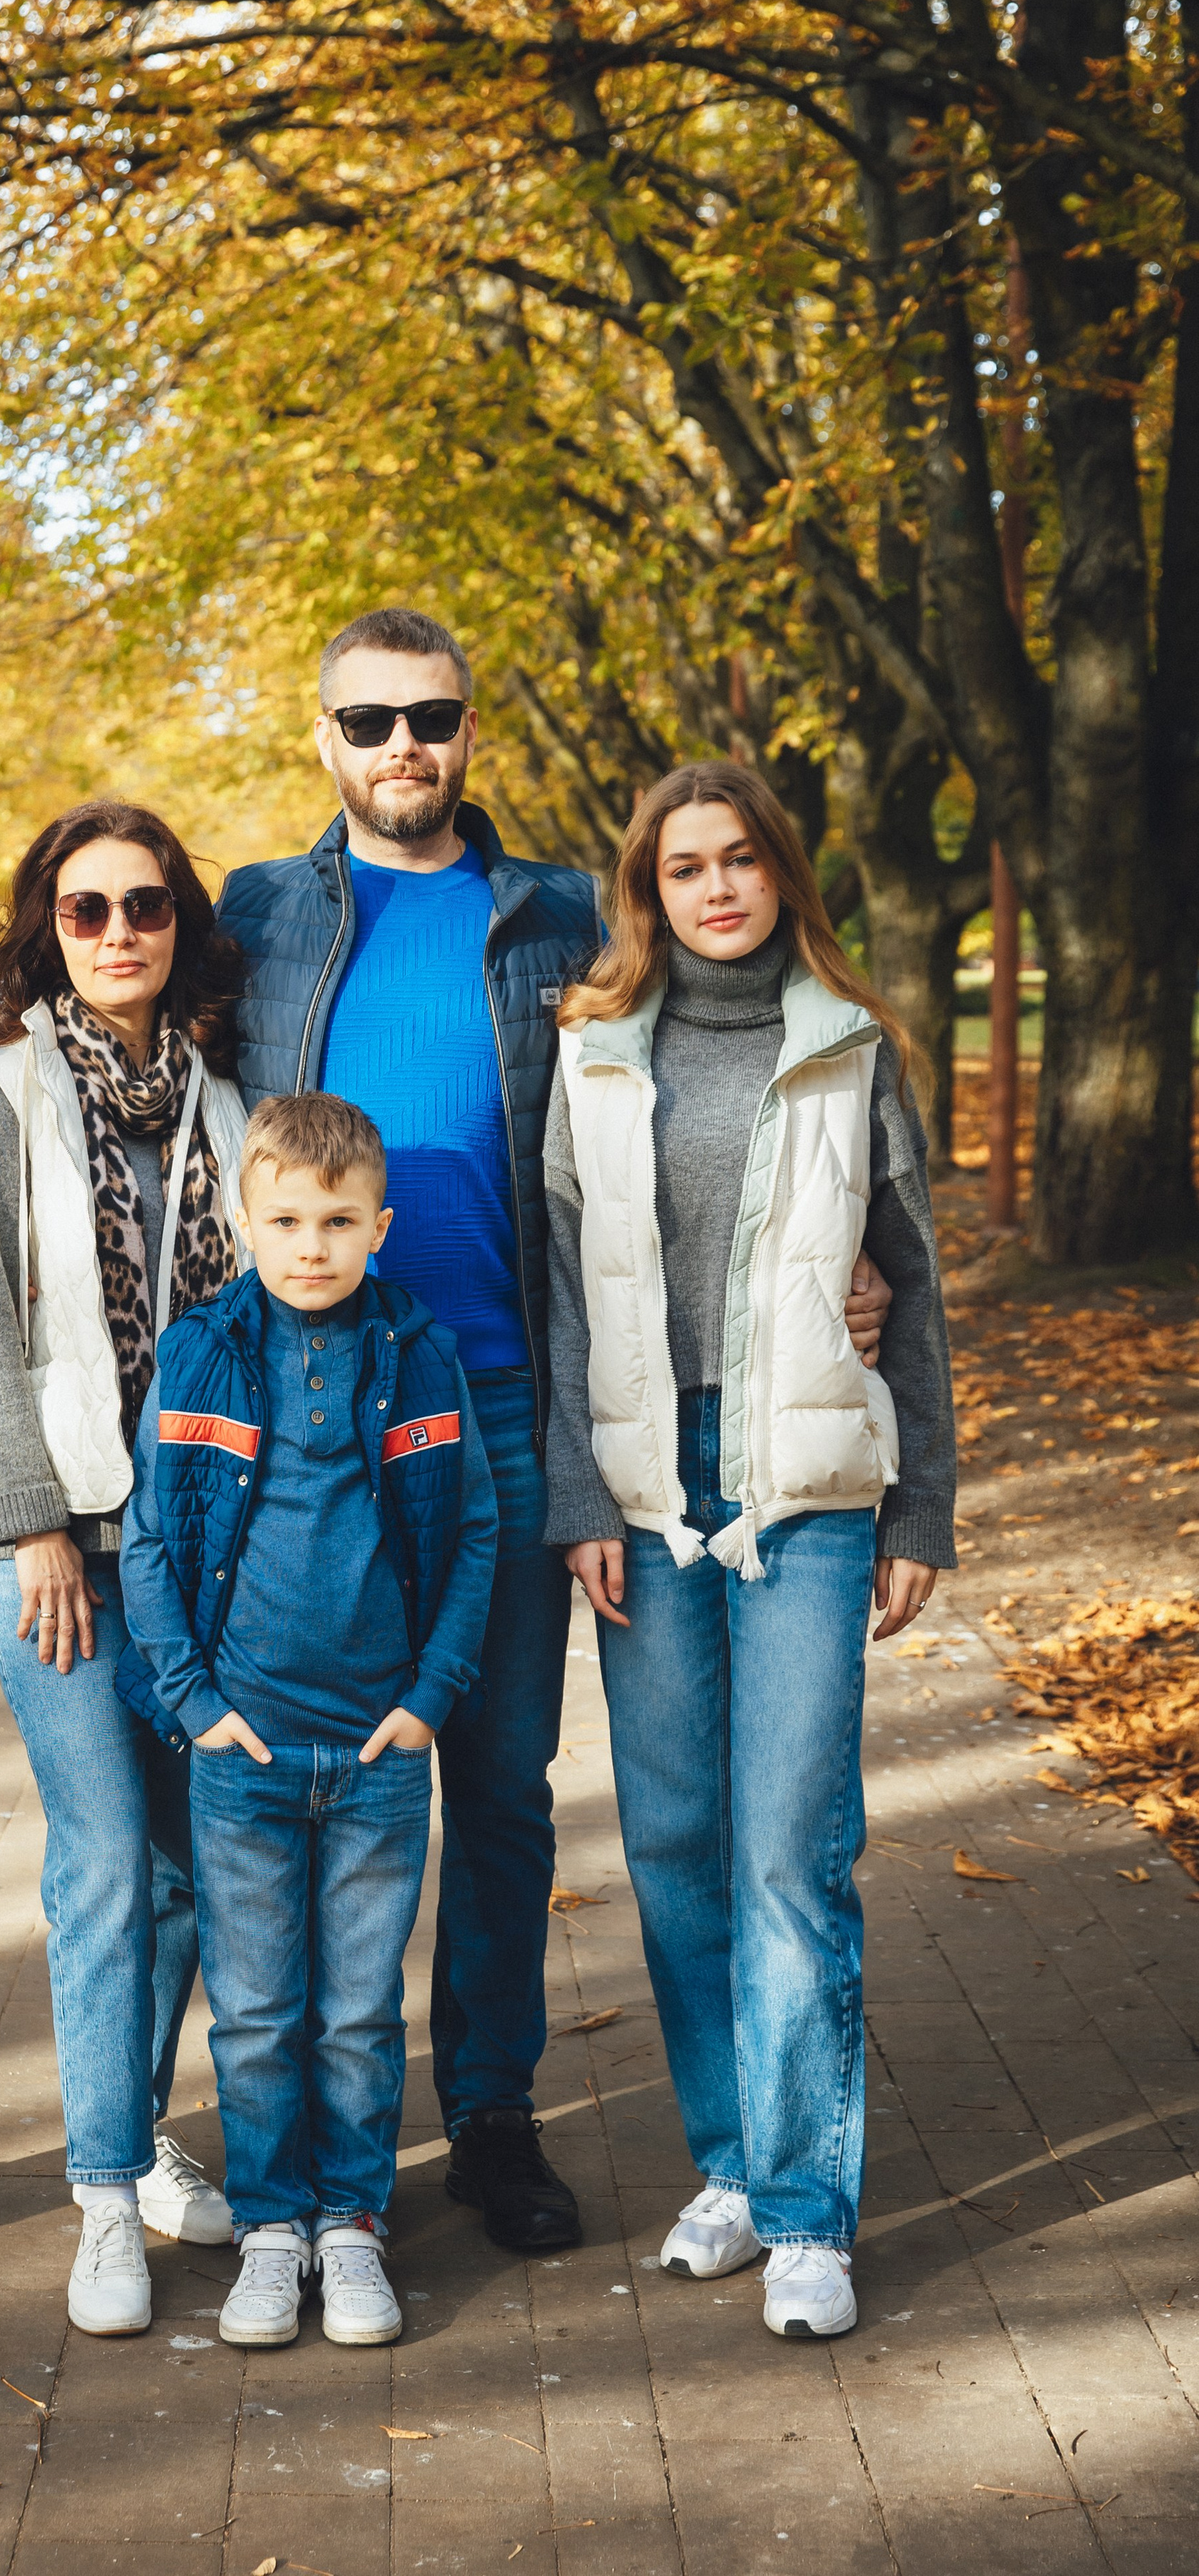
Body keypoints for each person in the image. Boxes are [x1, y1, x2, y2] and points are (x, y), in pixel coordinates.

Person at [218, 608, 897, 2252]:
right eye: (367, 720)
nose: (401, 745)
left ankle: (491, 2111)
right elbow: (127, 1024)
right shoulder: (257, 916)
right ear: (324, 738)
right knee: (302, 1779)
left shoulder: (558, 917)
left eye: (429, 715)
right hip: (316, 1415)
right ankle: (301, 2139)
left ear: (468, 731)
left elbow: (670, 1123)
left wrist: (832, 1263)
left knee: (502, 1787)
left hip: (515, 1412)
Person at [545, 761, 956, 2344]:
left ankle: (803, 2211)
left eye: (739, 860)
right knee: (670, 1844)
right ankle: (726, 2159)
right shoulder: (589, 1053)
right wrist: (578, 1500)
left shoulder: (849, 1050)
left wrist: (920, 1506)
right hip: (647, 1489)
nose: (715, 888)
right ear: (645, 891)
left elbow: (908, 1281)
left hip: (805, 1481)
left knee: (789, 1847)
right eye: (683, 867)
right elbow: (560, 1287)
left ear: (782, 872)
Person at [0, 798, 253, 2339]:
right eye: (85, 909)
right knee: (107, 1862)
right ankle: (105, 2195)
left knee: (183, 1870)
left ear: (181, 922)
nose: (118, 932)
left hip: (202, 1550)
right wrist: (29, 1526)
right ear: (44, 930)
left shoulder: (231, 1106)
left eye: (145, 904)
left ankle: (133, 2134)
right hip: (58, 1548)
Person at [119, 1093, 499, 2348]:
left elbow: (475, 1533)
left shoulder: (421, 1353)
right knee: (256, 2014)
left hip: (379, 1752)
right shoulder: (200, 1354)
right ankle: (272, 2230)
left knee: (357, 2013)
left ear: (380, 1226)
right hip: (246, 1754)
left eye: (339, 1221)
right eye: (285, 1221)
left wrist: (430, 1699)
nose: (312, 1246)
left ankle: (353, 2223)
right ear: (244, 1222)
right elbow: (151, 1542)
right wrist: (196, 1706)